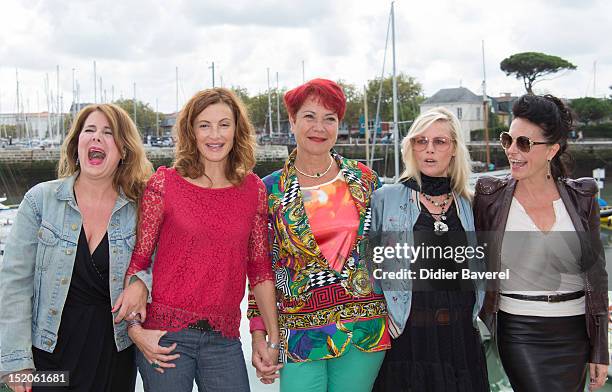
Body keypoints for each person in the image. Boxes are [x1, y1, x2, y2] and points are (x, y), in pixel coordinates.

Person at [120, 88, 278, 392]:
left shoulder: (254, 190)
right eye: (204, 125)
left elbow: (260, 271)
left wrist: (271, 339)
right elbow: (138, 263)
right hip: (165, 337)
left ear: (237, 130)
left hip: (225, 337)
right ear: (191, 131)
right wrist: (136, 331)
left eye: (224, 124)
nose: (214, 134)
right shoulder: (164, 184)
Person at [248, 78, 390, 392]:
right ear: (292, 121)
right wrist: (260, 334)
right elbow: (260, 269)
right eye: (309, 116)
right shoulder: (268, 191)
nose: (319, 127)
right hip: (300, 333)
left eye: (330, 119)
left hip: (364, 330)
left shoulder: (366, 181)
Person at [0, 104, 153, 392]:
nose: (97, 138)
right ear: (76, 144)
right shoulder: (39, 201)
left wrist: (142, 284)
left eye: (108, 133)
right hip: (47, 355)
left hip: (114, 354)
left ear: (123, 151)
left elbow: (162, 262)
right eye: (89, 131)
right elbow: (14, 283)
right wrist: (16, 360)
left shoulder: (141, 208)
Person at [474, 94, 609, 391]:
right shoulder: (489, 195)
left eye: (524, 143)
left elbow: (597, 275)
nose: (511, 150)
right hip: (519, 329)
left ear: (552, 150)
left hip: (575, 331)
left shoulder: (583, 196)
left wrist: (599, 348)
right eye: (508, 139)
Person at [370, 107, 489, 391]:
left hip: (461, 339)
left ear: (454, 149)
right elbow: (369, 269)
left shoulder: (470, 205)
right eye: (420, 141)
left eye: (440, 141)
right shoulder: (385, 199)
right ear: (411, 147)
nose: (429, 150)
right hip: (407, 338)